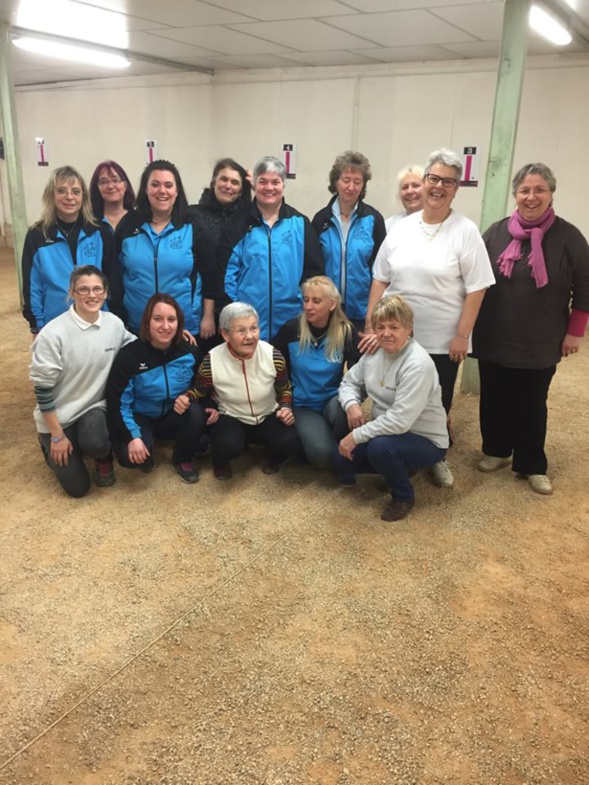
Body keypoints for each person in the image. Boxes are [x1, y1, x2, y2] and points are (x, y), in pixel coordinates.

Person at [363, 148, 495, 488]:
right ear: (423, 182)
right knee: (396, 396)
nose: (438, 187)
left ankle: (436, 455)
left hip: (440, 338)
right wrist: (370, 326)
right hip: (396, 336)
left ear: (456, 188)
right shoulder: (401, 228)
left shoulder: (465, 231)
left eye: (447, 182)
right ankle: (400, 454)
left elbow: (477, 288)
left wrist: (462, 335)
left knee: (436, 403)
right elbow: (380, 278)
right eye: (433, 179)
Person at [472, 162, 589, 495]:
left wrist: (574, 332)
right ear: (516, 195)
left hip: (541, 340)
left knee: (532, 402)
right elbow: (474, 278)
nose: (531, 196)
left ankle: (532, 464)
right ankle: (496, 450)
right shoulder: (496, 232)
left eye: (540, 189)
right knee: (493, 397)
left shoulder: (569, 237)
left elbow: (585, 286)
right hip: (494, 334)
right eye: (525, 190)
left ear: (551, 194)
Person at [334, 296, 449, 522]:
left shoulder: (417, 364)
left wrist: (356, 435)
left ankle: (404, 496)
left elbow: (400, 421)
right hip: (389, 433)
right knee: (339, 460)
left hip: (424, 437)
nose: (386, 333)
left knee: (380, 449)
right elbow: (349, 383)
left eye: (394, 327)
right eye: (381, 327)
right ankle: (402, 466)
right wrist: (352, 405)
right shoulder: (375, 352)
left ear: (409, 328)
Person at [29, 265, 136, 498]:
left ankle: (101, 457)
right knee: (78, 489)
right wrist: (56, 436)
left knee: (96, 441)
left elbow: (137, 349)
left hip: (93, 408)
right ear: (71, 293)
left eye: (98, 289)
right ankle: (48, 442)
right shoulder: (53, 333)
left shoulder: (114, 324)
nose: (92, 295)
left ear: (106, 293)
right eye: (83, 289)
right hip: (59, 417)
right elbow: (43, 389)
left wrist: (176, 338)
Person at [185, 302, 301, 480]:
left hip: (267, 414)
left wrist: (285, 407)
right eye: (241, 331)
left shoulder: (273, 355)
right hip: (232, 416)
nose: (250, 336)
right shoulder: (211, 360)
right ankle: (220, 462)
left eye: (254, 328)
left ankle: (271, 457)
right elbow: (199, 390)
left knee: (290, 442)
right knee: (226, 445)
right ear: (225, 334)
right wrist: (186, 398)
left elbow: (284, 388)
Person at [107, 293, 208, 484]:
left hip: (173, 414)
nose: (165, 326)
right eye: (158, 319)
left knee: (196, 413)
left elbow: (202, 384)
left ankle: (182, 459)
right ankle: (146, 444)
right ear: (147, 322)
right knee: (130, 458)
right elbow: (118, 403)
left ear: (179, 323)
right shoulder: (129, 356)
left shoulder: (190, 352)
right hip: (141, 415)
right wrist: (133, 437)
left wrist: (189, 396)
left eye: (172, 320)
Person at [223, 156, 323, 341]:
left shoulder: (300, 224)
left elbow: (314, 273)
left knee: (285, 369)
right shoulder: (236, 224)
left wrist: (304, 306)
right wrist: (238, 309)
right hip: (247, 325)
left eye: (275, 182)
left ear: (283, 185)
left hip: (292, 322)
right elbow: (226, 274)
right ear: (254, 184)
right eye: (263, 182)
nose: (269, 188)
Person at [116, 159, 217, 341]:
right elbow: (116, 273)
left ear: (176, 191)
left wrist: (208, 316)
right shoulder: (128, 225)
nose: (162, 191)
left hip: (183, 326)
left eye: (168, 185)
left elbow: (210, 275)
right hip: (137, 326)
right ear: (145, 189)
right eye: (155, 185)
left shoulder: (194, 226)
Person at [272, 276, 359, 468]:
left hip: (332, 400)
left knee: (347, 411)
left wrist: (354, 403)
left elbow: (361, 372)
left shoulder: (346, 332)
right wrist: (282, 403)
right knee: (323, 456)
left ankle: (337, 439)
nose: (308, 306)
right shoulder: (291, 329)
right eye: (305, 299)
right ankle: (313, 440)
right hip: (303, 404)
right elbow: (271, 365)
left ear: (332, 304)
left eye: (316, 301)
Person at [22, 165, 120, 334]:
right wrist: (36, 324)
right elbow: (33, 284)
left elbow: (113, 279)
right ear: (51, 195)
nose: (69, 197)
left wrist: (112, 318)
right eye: (61, 191)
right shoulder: (37, 235)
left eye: (75, 191)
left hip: (97, 322)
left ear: (83, 197)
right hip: (55, 324)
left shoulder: (101, 232)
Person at [311, 151, 386, 333]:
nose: (351, 187)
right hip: (328, 311)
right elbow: (314, 267)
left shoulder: (373, 219)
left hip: (363, 311)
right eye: (346, 180)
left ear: (363, 186)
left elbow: (382, 269)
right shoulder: (321, 220)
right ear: (336, 182)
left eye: (357, 181)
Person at [189, 157, 252, 349]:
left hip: (236, 304)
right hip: (200, 306)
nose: (228, 185)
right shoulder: (193, 214)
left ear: (241, 190)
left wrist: (257, 185)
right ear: (214, 182)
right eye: (223, 179)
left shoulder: (248, 218)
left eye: (235, 182)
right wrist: (208, 314)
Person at [89, 160, 136, 231]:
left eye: (115, 180)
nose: (110, 186)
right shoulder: (89, 222)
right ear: (97, 188)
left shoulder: (138, 220)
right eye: (103, 182)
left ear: (125, 185)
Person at [385, 165, 424, 232]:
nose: (409, 191)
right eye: (405, 187)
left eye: (416, 185)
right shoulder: (389, 226)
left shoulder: (438, 223)